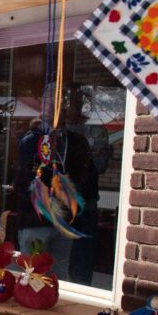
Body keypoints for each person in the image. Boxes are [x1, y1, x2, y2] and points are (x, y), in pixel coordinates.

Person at [13, 118, 95, 281]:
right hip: (35, 218)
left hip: (62, 220)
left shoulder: (75, 141)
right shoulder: (31, 140)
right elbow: (26, 172)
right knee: (31, 274)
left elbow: (84, 174)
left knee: (58, 276)